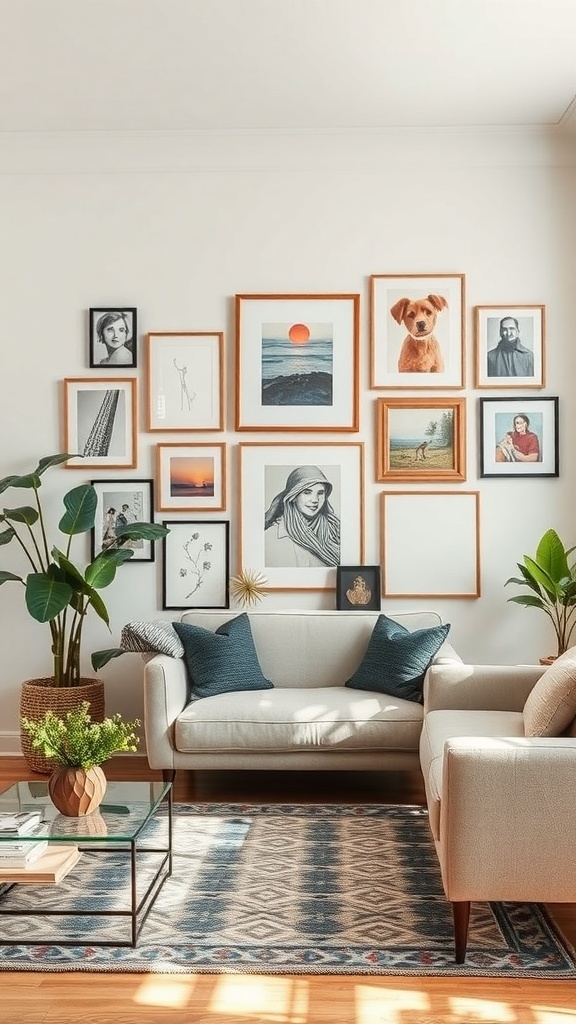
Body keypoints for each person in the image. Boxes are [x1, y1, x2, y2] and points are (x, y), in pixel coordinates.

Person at [264, 466, 340, 567]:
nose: (315, 500)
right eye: (307, 492)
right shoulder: (270, 537)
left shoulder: (336, 529)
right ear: (293, 496)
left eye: (320, 493)